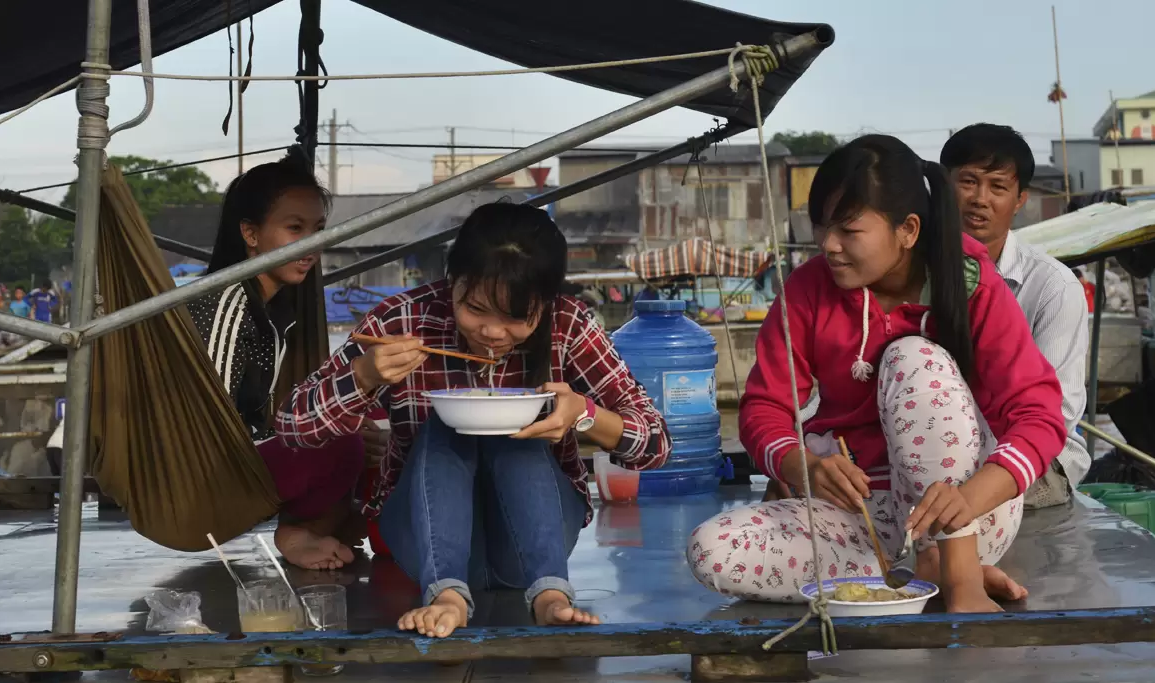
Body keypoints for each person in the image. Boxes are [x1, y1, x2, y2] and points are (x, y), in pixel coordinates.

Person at [686, 135, 1066, 612]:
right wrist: (800, 465)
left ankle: (961, 575)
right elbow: (766, 408)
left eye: (848, 229)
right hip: (860, 519)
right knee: (712, 549)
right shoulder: (807, 289)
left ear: (907, 230)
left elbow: (1040, 415)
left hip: (969, 515)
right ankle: (913, 575)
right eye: (822, 226)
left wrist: (970, 498)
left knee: (912, 358)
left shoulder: (974, 283)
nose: (829, 245)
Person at [277, 202, 671, 638]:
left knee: (512, 425)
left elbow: (656, 444)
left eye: (517, 317)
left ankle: (550, 595)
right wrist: (364, 375)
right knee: (447, 421)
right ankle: (446, 596)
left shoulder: (570, 325)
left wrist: (584, 415)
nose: (493, 333)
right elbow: (293, 427)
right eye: (475, 309)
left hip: (536, 544)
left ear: (546, 301)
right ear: (453, 282)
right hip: (420, 539)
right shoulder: (403, 319)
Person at [186, 152, 366, 571]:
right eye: (295, 228)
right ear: (250, 233)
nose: (311, 245)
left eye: (318, 230)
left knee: (364, 417)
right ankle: (296, 530)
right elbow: (210, 421)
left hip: (242, 456)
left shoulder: (274, 308)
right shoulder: (230, 302)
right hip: (208, 475)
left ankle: (320, 526)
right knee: (343, 433)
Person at [940, 124, 1091, 507]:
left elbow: (1057, 412)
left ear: (1020, 199)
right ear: (943, 186)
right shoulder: (910, 273)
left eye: (998, 187)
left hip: (1035, 457)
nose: (979, 199)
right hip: (937, 446)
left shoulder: (1053, 287)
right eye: (968, 181)